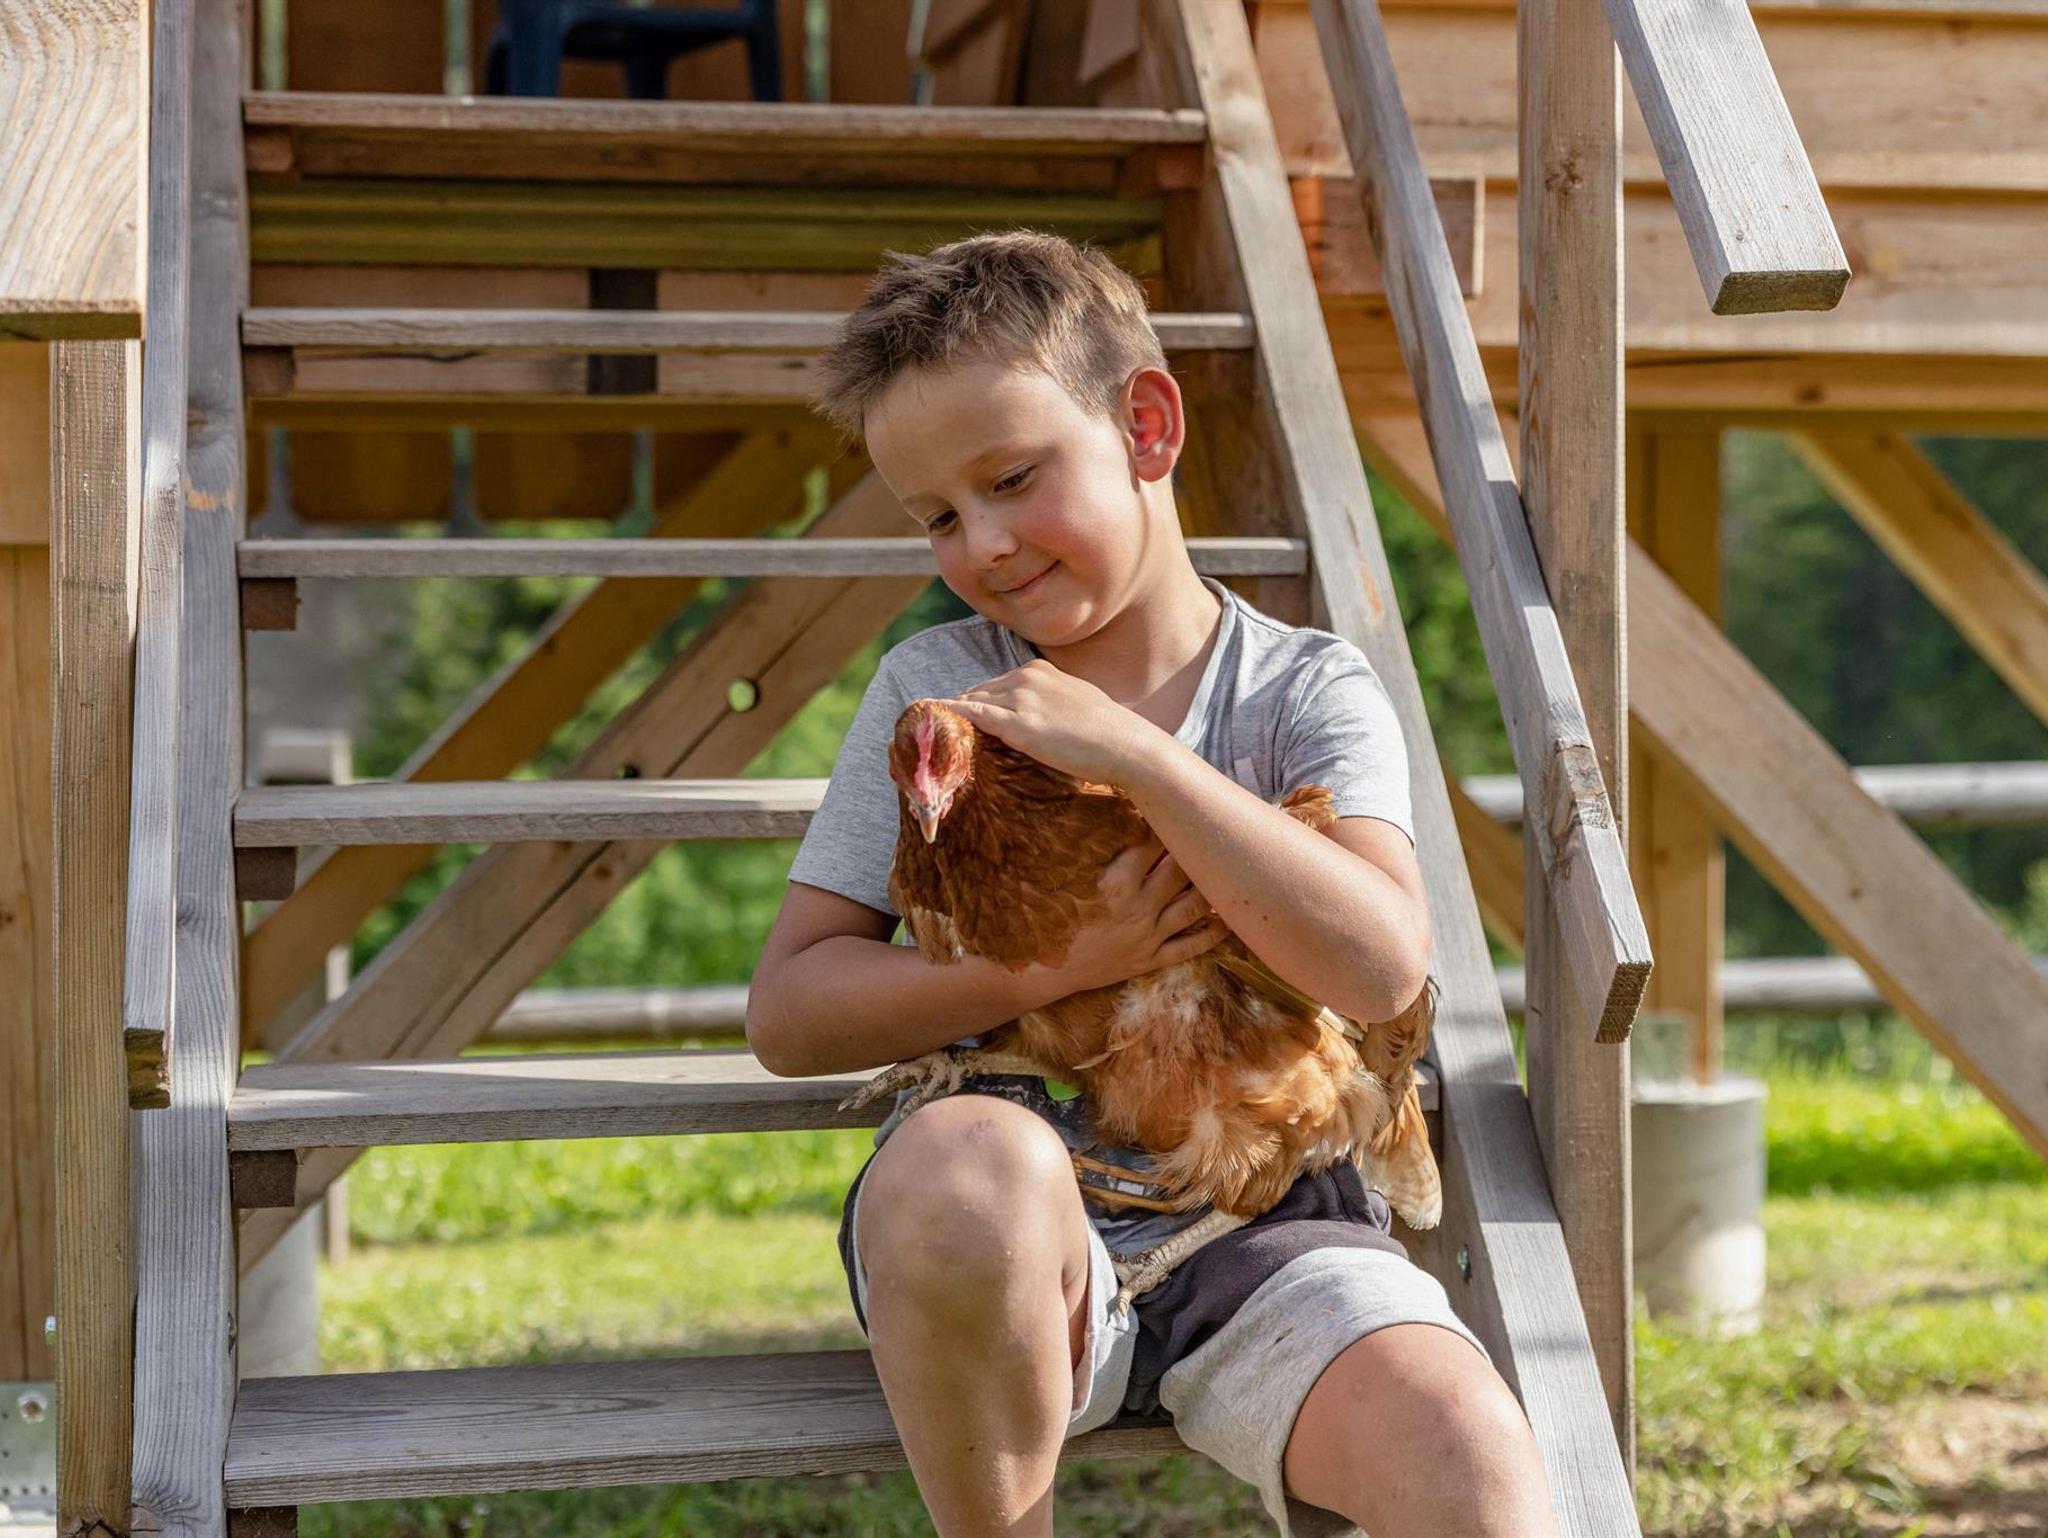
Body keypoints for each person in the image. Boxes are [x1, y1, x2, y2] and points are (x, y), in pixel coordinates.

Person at [745, 229, 1561, 1538]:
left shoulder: (1303, 689)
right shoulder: (934, 692)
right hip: (1001, 1249)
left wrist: (1137, 756)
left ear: (1147, 426)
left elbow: (1380, 966)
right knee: (964, 1165)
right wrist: (1056, 964)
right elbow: (790, 1012)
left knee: (1471, 1453)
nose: (984, 542)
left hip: (1263, 1229)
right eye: (939, 516)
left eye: (1012, 479)